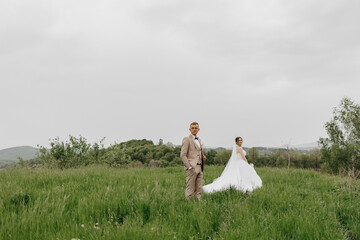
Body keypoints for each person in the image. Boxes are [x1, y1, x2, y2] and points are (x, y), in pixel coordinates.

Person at [180, 122, 206, 200]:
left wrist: (203, 157)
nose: (194, 129)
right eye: (193, 128)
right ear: (190, 129)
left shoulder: (199, 139)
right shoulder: (187, 139)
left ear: (198, 129)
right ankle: (188, 204)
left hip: (200, 166)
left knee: (199, 188)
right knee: (190, 188)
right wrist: (189, 167)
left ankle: (198, 203)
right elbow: (183, 155)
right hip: (192, 167)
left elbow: (198, 152)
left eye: (196, 128)